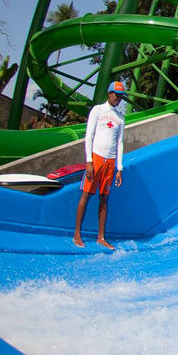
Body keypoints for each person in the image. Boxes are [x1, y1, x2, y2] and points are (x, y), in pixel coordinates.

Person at [73, 80, 128, 250]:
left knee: (104, 198)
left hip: (110, 162)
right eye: (116, 95)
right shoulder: (98, 110)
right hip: (96, 158)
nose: (118, 99)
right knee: (86, 195)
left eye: (121, 97)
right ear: (109, 93)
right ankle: (77, 234)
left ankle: (101, 237)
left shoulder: (120, 118)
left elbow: (120, 143)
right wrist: (89, 161)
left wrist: (119, 168)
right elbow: (89, 135)